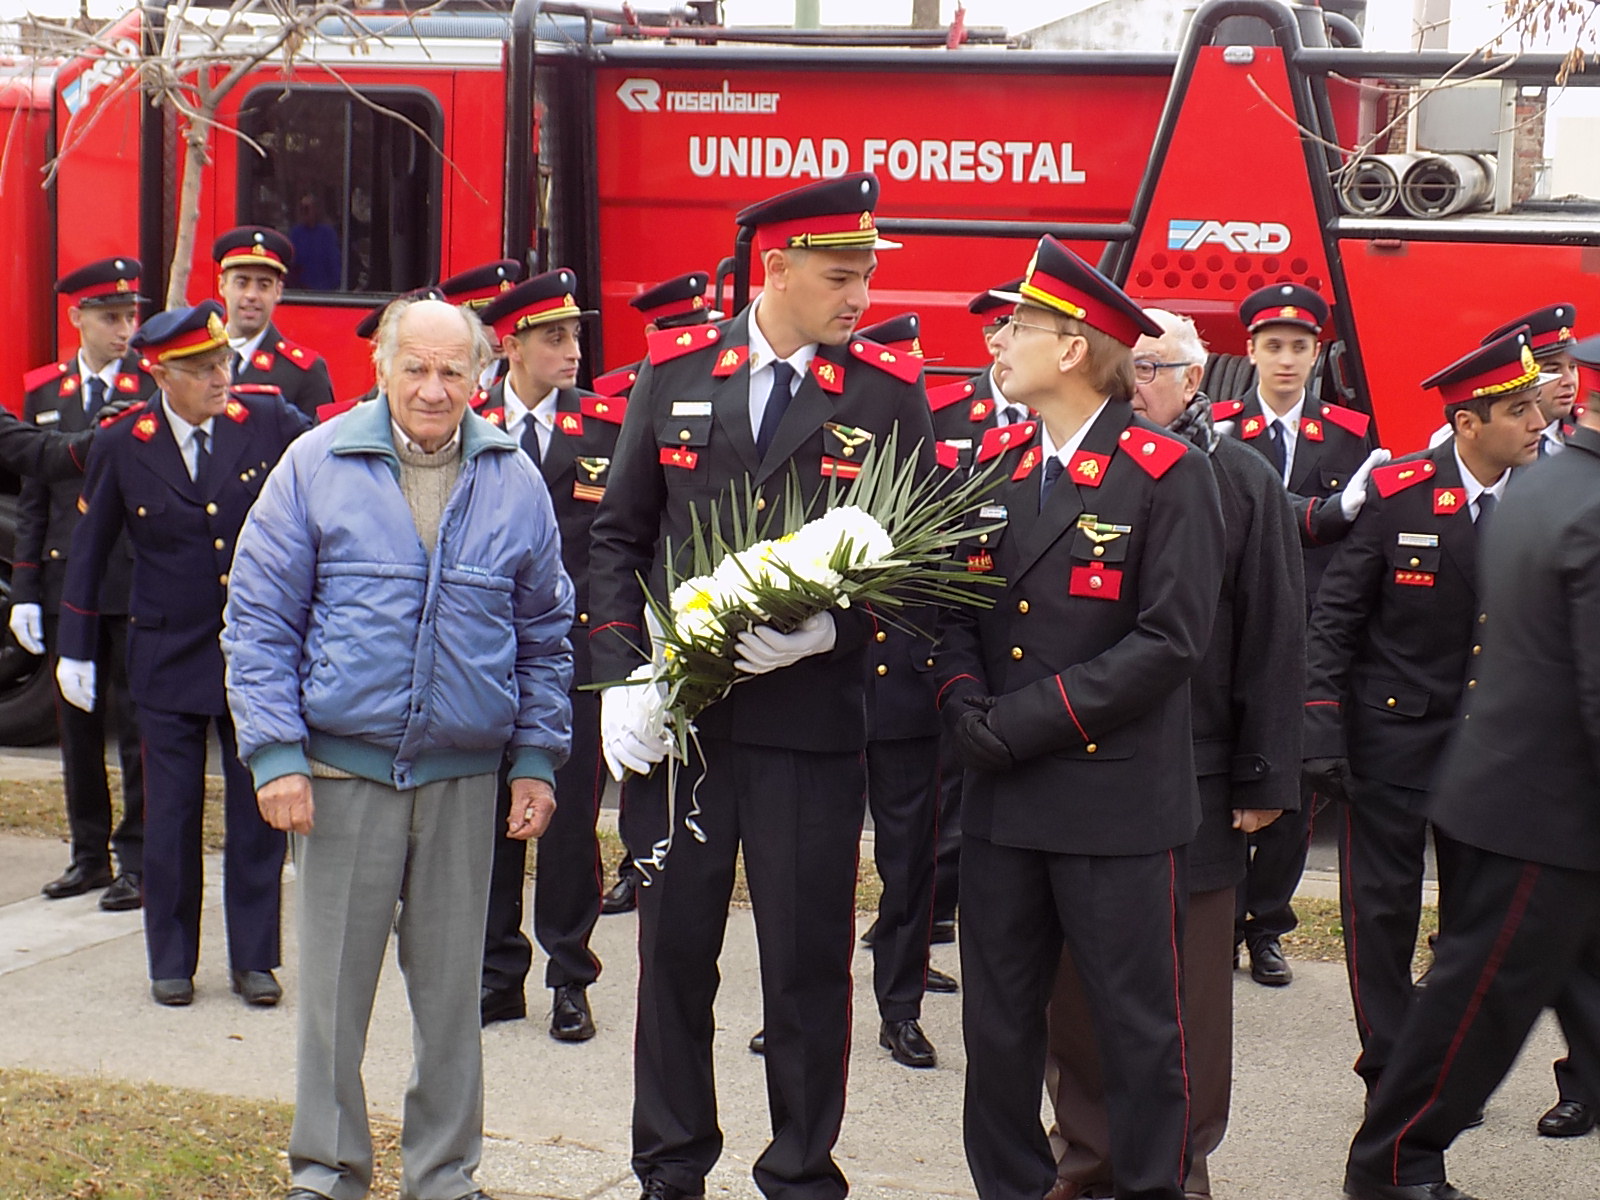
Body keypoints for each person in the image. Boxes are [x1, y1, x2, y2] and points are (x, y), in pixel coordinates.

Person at [588, 171, 934, 1200]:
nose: (860, 296)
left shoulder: (882, 392)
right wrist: (620, 679)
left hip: (809, 729)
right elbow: (618, 539)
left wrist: (833, 627)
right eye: (841, 275)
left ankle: (798, 1171)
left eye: (868, 275)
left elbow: (915, 572)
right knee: (676, 959)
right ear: (773, 269)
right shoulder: (676, 372)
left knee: (802, 967)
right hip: (681, 729)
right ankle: (669, 1168)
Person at [222, 296, 574, 1200]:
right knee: (333, 1003)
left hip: (463, 784)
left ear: (480, 375)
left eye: (452, 370)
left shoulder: (513, 479)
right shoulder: (315, 464)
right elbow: (259, 622)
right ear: (380, 368)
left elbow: (545, 633)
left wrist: (536, 757)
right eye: (415, 367)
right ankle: (327, 1172)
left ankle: (444, 1177)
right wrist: (276, 755)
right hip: (339, 779)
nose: (433, 388)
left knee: (453, 1002)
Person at [935, 238, 1225, 1200]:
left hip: (1111, 807)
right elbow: (952, 608)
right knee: (999, 1031)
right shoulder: (996, 461)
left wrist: (1022, 723)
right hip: (1002, 803)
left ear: (1070, 349)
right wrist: (960, 702)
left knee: (1135, 1034)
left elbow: (1169, 643)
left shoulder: (1167, 474)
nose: (1000, 344)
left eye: (1018, 327)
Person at [1342, 330, 1600, 1200]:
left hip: (1512, 786)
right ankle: (1395, 1161)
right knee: (1479, 996)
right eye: (1517, 407)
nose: (1534, 419)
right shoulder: (1583, 498)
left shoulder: (1552, 485)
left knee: (1535, 985)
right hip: (1547, 801)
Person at [1305, 322, 1547, 1108]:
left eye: (1537, 406)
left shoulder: (1550, 503)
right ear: (1467, 424)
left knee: (1477, 927)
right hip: (1391, 745)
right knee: (1380, 917)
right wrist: (1318, 727)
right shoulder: (1400, 492)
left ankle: (1448, 1069)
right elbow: (1335, 621)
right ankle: (1390, 1072)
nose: (1539, 423)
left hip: (1494, 758)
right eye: (1519, 411)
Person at [53, 300, 311, 1008]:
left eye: (223, 361)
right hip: (166, 654)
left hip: (252, 652)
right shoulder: (123, 442)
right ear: (160, 373)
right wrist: (74, 646)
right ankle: (171, 958)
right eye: (201, 369)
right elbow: (91, 548)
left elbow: (318, 482)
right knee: (168, 816)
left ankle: (255, 959)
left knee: (258, 815)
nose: (220, 377)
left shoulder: (266, 421)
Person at [1217, 282, 1375, 989]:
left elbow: (1358, 542)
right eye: (1273, 346)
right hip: (1228, 626)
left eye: (1300, 348)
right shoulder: (1217, 430)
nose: (1286, 360)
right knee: (1223, 774)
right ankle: (1218, 918)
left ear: (1319, 354)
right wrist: (1318, 510)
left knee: (1291, 777)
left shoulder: (1348, 433)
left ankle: (1269, 927)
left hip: (1306, 629)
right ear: (1248, 351)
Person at [476, 269, 616, 1041]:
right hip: (485, 656)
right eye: (553, 336)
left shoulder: (603, 427)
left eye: (575, 334)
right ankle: (497, 974)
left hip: (574, 659)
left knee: (568, 827)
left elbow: (619, 542)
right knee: (492, 818)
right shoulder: (467, 423)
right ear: (512, 345)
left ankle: (570, 975)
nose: (572, 349)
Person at [13, 257, 156, 910]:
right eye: (110, 317)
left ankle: (138, 860)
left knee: (135, 727)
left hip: (130, 581)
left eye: (130, 316)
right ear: (77, 318)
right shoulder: (44, 392)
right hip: (66, 581)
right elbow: (34, 496)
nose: (124, 328)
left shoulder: (149, 386)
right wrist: (23, 590)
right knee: (76, 729)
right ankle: (87, 855)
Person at [595, 269, 721, 917]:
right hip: (659, 665)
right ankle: (631, 864)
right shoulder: (653, 387)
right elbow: (622, 533)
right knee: (668, 917)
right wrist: (620, 674)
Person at [922, 279, 1026, 948]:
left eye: (1014, 327)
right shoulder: (947, 412)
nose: (1001, 340)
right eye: (995, 330)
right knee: (944, 783)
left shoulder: (1058, 415)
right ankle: (932, 909)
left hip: (1025, 615)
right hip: (958, 610)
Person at [214, 225, 335, 420]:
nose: (251, 295)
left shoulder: (305, 372)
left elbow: (318, 446)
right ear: (222, 285)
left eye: (264, 285)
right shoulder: (196, 361)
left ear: (278, 291)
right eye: (241, 283)